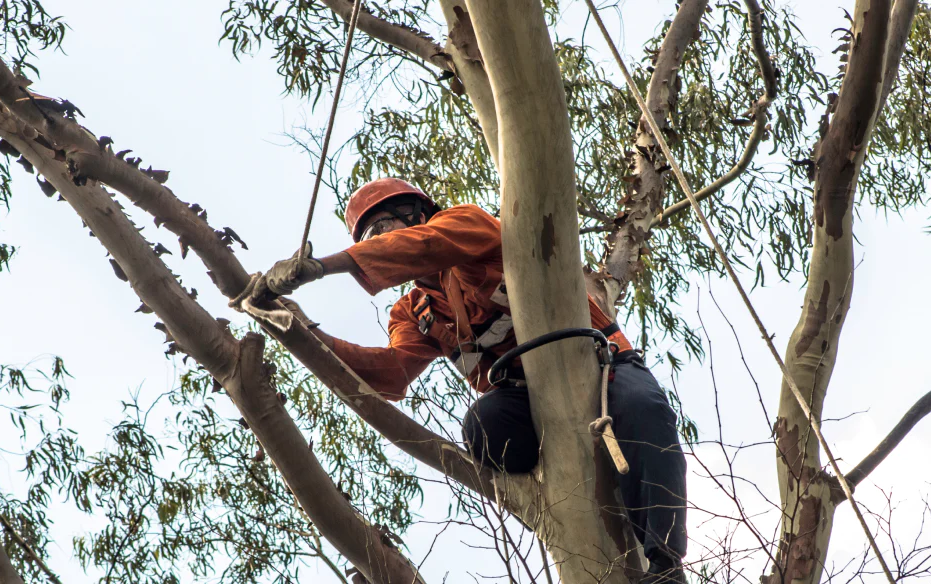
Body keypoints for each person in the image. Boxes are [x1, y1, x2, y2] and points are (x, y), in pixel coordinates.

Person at [240, 178, 687, 583]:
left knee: (645, 412)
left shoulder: (465, 224)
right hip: (525, 402)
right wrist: (301, 331)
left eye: (385, 226)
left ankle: (665, 565)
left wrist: (324, 266)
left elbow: (427, 245)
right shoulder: (413, 311)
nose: (381, 240)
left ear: (417, 214)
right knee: (482, 428)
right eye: (370, 235)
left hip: (603, 364)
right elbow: (390, 373)